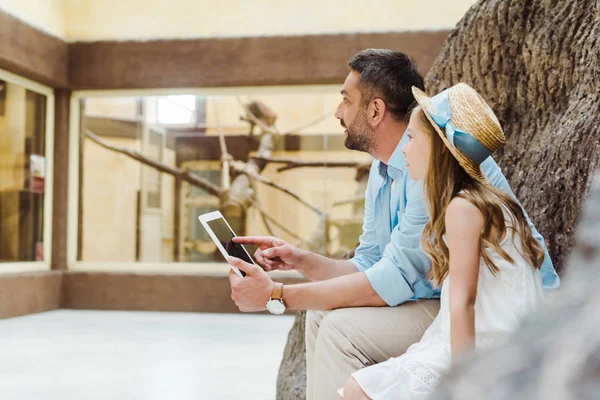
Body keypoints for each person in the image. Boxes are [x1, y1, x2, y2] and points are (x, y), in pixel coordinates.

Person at [227, 49, 559, 400]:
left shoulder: (439, 174)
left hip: (502, 315)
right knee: (320, 316)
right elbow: (370, 264)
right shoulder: (385, 168)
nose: (338, 112)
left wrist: (276, 296)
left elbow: (399, 280)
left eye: (346, 100)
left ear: (375, 111)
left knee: (341, 329)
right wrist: (301, 261)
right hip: (448, 299)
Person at [341, 83, 547, 399]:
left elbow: (464, 302)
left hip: (489, 347)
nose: (405, 149)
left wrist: (462, 383)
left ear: (439, 149)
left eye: (411, 138)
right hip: (495, 338)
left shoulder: (463, 208)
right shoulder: (480, 202)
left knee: (359, 389)